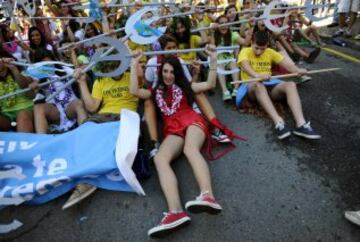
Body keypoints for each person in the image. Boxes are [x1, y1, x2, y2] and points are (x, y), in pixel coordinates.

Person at [129, 45, 222, 237]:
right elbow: (134, 91)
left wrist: (213, 59)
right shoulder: (155, 91)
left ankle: (208, 196)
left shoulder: (185, 86)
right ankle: (175, 212)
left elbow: (210, 84)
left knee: (190, 149)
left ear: (177, 72)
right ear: (160, 72)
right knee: (160, 159)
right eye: (165, 71)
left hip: (192, 121)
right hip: (173, 129)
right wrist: (133, 63)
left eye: (172, 72)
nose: (169, 75)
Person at [65, 59, 140, 210]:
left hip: (124, 116)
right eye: (110, 63)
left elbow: (136, 89)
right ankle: (81, 176)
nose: (114, 66)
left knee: (111, 142)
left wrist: (134, 64)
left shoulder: (131, 75)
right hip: (103, 115)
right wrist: (82, 82)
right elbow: (92, 107)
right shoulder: (101, 81)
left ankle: (86, 181)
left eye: (116, 62)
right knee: (83, 133)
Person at [237, 31, 321, 140]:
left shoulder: (270, 52)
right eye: (256, 48)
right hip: (250, 86)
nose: (259, 52)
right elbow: (246, 66)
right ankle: (279, 123)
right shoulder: (245, 51)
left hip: (269, 84)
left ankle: (301, 124)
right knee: (258, 85)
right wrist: (257, 75)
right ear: (252, 43)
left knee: (290, 84)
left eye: (263, 49)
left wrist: (298, 70)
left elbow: (288, 65)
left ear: (267, 45)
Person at [0, 53, 34, 133]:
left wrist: (13, 68)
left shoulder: (22, 73)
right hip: (6, 116)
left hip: (25, 110)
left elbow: (24, 85)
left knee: (22, 115)